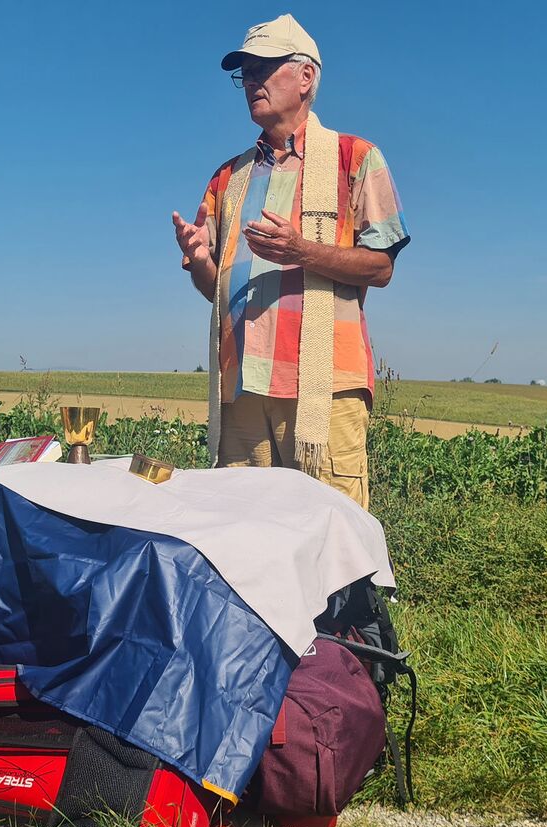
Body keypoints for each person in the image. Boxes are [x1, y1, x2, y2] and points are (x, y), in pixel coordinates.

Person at [171, 14, 409, 510]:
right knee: (242, 530)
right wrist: (199, 259)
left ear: (305, 77)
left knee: (331, 529)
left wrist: (303, 251)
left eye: (263, 68)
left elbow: (381, 267)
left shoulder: (355, 157)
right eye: (245, 73)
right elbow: (216, 291)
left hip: (325, 388)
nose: (250, 82)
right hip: (241, 388)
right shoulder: (228, 176)